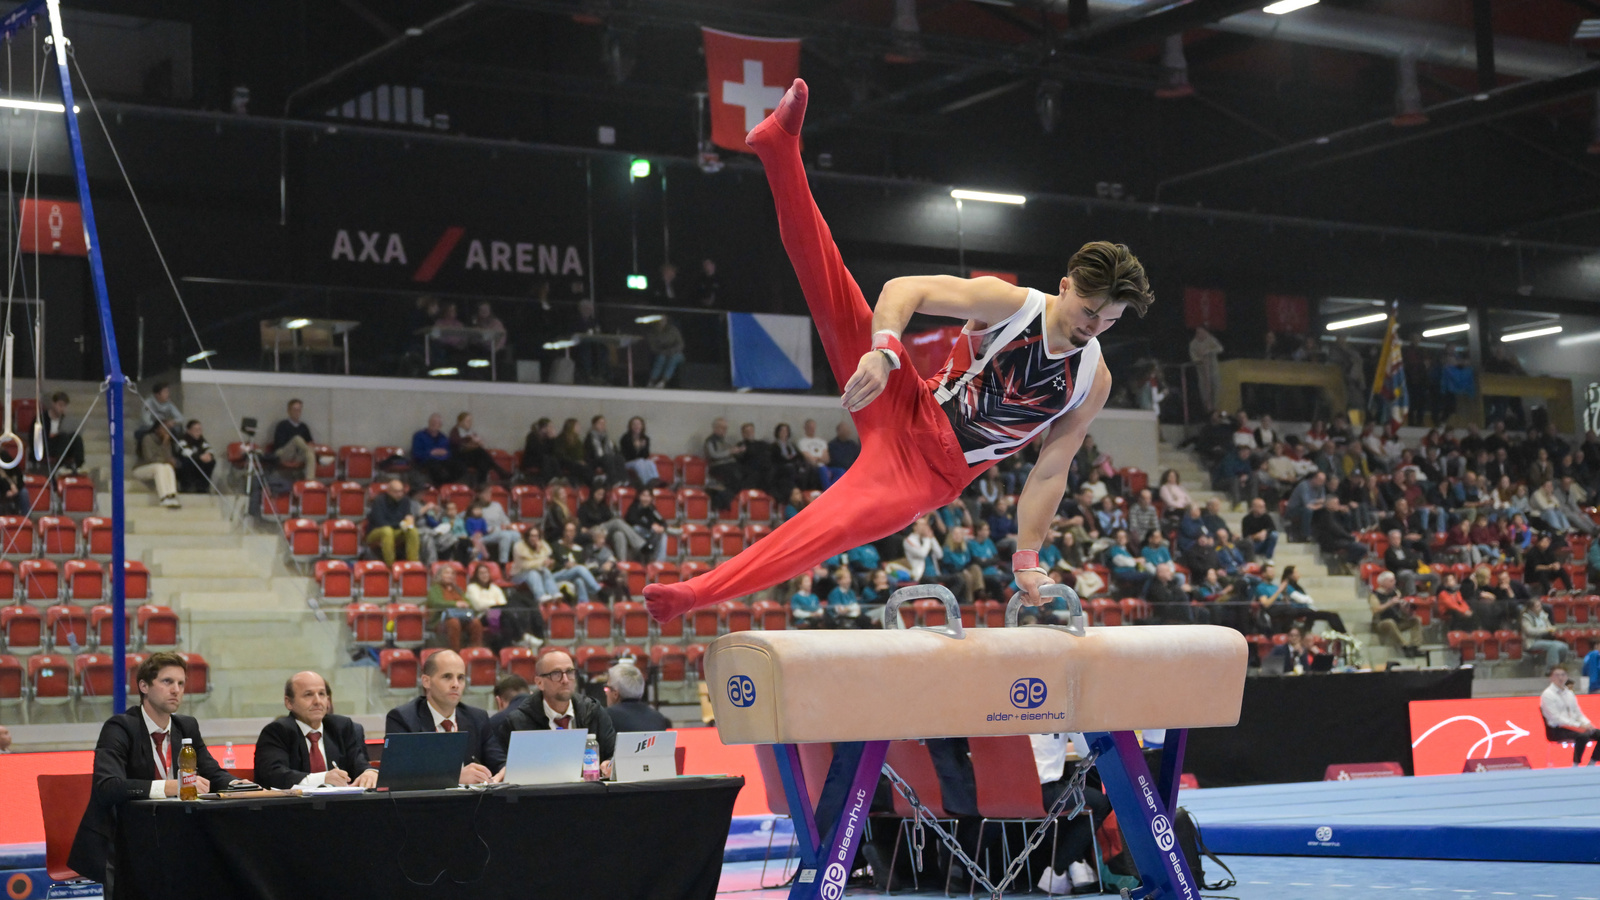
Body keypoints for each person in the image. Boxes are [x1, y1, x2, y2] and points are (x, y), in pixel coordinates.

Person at [642, 79, 1150, 622]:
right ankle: (780, 149)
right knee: (828, 280)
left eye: (1110, 322)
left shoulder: (1093, 379)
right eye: (1090, 312)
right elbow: (906, 289)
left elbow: (1051, 468)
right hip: (905, 398)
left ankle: (693, 594)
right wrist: (883, 352)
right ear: (1067, 285)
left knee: (824, 530)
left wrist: (1028, 556)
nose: (1094, 328)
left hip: (924, 475)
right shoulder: (1011, 304)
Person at [69, 652, 242, 884]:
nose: (176, 690)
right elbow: (108, 787)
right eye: (167, 682)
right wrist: (171, 786)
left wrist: (239, 785)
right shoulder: (120, 728)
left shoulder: (186, 726)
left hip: (178, 832)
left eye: (181, 683)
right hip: (128, 837)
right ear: (144, 686)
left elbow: (213, 772)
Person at [384, 650, 503, 783]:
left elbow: (498, 762)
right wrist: (454, 778)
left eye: (461, 678)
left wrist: (505, 770)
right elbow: (398, 776)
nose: (455, 684)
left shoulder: (477, 718)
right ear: (426, 681)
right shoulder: (402, 719)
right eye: (447, 677)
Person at [496, 649, 617, 770]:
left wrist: (608, 764)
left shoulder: (593, 711)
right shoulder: (519, 722)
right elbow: (509, 769)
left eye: (570, 672)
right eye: (556, 674)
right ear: (539, 682)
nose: (565, 680)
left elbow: (612, 754)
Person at [254, 671, 376, 790]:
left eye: (322, 694)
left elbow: (359, 764)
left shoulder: (341, 727)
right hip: (293, 807)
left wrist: (369, 772)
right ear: (289, 702)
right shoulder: (278, 731)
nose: (317, 701)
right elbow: (274, 775)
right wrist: (323, 778)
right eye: (308, 694)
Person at [1540, 665, 1599, 766]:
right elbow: (1556, 718)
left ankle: (1592, 763)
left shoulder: (1569, 693)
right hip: (1557, 729)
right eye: (1557, 675)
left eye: (1563, 675)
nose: (1560, 678)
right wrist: (1578, 726)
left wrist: (1587, 724)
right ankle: (1575, 764)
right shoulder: (1547, 695)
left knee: (1597, 733)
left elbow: (1577, 713)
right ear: (1551, 678)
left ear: (1566, 677)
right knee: (1583, 736)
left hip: (1573, 726)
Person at [427, 563, 484, 650]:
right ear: (440, 575)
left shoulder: (458, 589)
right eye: (446, 573)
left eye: (452, 574)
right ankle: (455, 651)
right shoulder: (435, 589)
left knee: (475, 622)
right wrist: (455, 604)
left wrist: (466, 604)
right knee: (453, 622)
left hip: (462, 617)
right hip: (442, 620)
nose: (450, 576)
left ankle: (475, 650)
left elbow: (468, 603)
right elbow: (436, 603)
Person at [366, 476, 421, 565]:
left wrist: (409, 520)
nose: (399, 494)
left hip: (397, 530)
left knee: (412, 530)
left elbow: (407, 516)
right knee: (387, 531)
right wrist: (400, 524)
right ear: (389, 491)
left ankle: (413, 563)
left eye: (401, 491)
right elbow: (380, 522)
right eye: (396, 492)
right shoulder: (379, 501)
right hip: (376, 532)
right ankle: (390, 565)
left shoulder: (405, 500)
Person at [603, 662, 672, 732]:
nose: (605, 692)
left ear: (615, 694)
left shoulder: (605, 717)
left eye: (607, 688)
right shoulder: (658, 718)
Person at [1368, 572, 1422, 658]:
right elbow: (1375, 610)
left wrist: (1404, 607)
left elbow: (1404, 612)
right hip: (1381, 622)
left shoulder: (1396, 592)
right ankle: (1405, 646)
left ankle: (1415, 646)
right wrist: (1390, 603)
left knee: (1416, 620)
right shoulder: (1374, 595)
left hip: (1397, 620)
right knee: (1390, 622)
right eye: (1391, 581)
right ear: (1383, 582)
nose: (1394, 582)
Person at [449, 412, 510, 484]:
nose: (470, 423)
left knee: (483, 462)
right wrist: (469, 439)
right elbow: (456, 442)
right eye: (467, 421)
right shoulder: (455, 431)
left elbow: (476, 442)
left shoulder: (471, 432)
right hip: (460, 457)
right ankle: (499, 471)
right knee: (480, 452)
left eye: (470, 421)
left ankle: (481, 485)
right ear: (460, 422)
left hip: (472, 457)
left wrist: (478, 442)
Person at [133, 419, 182, 508]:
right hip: (142, 468)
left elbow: (167, 459)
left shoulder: (167, 442)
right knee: (159, 467)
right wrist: (163, 445)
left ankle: (172, 495)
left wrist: (170, 459)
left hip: (159, 466)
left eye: (168, 429)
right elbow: (150, 459)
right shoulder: (147, 438)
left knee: (168, 467)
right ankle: (164, 497)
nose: (166, 431)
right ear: (157, 429)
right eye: (164, 428)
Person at [269, 398, 317, 481]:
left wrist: (308, 448)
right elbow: (279, 445)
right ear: (289, 411)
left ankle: (310, 481)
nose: (297, 412)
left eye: (299, 410)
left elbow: (310, 442)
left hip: (298, 455)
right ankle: (318, 456)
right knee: (297, 439)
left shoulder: (303, 427)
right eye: (294, 409)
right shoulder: (282, 425)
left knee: (310, 454)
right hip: (284, 453)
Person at [474, 484, 521, 564]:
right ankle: (503, 563)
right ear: (479, 495)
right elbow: (471, 522)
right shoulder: (476, 508)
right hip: (487, 534)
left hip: (500, 531)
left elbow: (505, 519)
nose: (488, 495)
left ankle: (518, 561)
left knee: (516, 535)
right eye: (486, 493)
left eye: (489, 493)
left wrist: (507, 525)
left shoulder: (497, 505)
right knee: (505, 535)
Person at [412, 413, 464, 486]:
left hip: (443, 460)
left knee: (459, 466)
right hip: (426, 460)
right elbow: (416, 453)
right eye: (432, 422)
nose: (434, 424)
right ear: (429, 423)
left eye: (437, 423)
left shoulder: (443, 437)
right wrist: (431, 453)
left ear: (440, 425)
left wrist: (445, 453)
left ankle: (447, 484)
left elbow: (449, 452)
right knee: (436, 468)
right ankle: (440, 487)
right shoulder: (419, 436)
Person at [1384, 529, 1437, 597]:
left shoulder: (1406, 550)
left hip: (1413, 572)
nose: (1396, 540)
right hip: (1399, 574)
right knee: (1409, 576)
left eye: (1398, 538)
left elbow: (1415, 562)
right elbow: (1396, 564)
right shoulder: (1388, 552)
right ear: (1390, 540)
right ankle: (1412, 598)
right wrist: (1408, 563)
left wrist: (1405, 563)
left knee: (1434, 576)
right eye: (1394, 538)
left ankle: (1433, 596)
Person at [1522, 598, 1570, 671]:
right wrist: (1546, 630)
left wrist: (1552, 630)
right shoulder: (1526, 617)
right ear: (1532, 608)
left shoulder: (1543, 615)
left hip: (1543, 640)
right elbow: (1529, 631)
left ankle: (1560, 667)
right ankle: (1551, 670)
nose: (1540, 607)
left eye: (1540, 605)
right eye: (1537, 606)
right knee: (1554, 646)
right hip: (1532, 642)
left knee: (1564, 646)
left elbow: (1548, 626)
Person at [42, 391, 84, 473]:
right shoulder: (43, 418)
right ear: (53, 404)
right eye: (60, 405)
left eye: (64, 406)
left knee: (76, 438)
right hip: (48, 446)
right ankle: (60, 465)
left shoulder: (64, 419)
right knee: (63, 436)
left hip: (62, 444)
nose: (62, 408)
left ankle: (77, 464)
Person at [174, 420, 216, 494]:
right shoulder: (183, 439)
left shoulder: (201, 440)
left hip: (199, 463)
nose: (198, 432)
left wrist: (209, 455)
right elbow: (185, 452)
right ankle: (187, 486)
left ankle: (203, 487)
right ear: (189, 430)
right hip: (184, 464)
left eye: (200, 429)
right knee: (188, 461)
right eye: (195, 430)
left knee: (211, 461)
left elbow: (209, 449)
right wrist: (199, 457)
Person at [584, 415, 628, 485]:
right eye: (600, 423)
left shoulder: (608, 439)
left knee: (619, 457)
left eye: (603, 424)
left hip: (607, 459)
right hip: (596, 460)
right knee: (608, 457)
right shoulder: (590, 438)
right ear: (594, 425)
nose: (602, 425)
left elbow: (615, 451)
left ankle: (624, 480)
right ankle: (614, 480)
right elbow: (588, 454)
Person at [1188, 326, 1223, 413]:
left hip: (1213, 371)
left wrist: (1209, 351)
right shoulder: (1193, 344)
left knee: (1216, 390)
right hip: (1202, 373)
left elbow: (1220, 349)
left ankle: (1215, 410)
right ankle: (1207, 411)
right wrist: (1200, 359)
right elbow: (1194, 358)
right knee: (1204, 392)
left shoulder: (1210, 339)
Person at [619, 416, 660, 487]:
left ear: (642, 426)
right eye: (634, 424)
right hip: (628, 462)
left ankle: (656, 482)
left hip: (640, 461)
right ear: (630, 426)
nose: (636, 426)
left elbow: (645, 456)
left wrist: (642, 448)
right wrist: (634, 447)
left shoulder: (645, 438)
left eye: (638, 424)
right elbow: (626, 456)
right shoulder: (625, 438)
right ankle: (645, 484)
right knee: (639, 462)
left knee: (650, 462)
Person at [646, 316, 685, 388]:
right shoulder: (652, 332)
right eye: (660, 320)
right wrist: (663, 351)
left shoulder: (673, 330)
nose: (661, 322)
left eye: (664, 320)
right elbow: (653, 347)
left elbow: (681, 344)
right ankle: (652, 381)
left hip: (675, 353)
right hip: (661, 353)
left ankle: (663, 381)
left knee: (673, 358)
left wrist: (671, 351)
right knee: (661, 358)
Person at [797, 419, 836, 488]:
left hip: (825, 467)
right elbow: (810, 459)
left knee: (841, 471)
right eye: (810, 427)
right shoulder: (802, 442)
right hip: (813, 468)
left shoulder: (821, 441)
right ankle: (827, 492)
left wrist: (817, 459)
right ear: (805, 428)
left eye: (813, 427)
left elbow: (827, 459)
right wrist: (819, 459)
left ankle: (833, 490)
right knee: (823, 469)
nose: (812, 429)